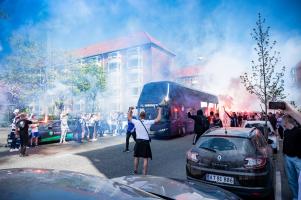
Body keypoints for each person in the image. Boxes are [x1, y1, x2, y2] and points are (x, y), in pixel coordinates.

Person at [128, 105, 162, 175]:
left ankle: (135, 170)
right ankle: (144, 174)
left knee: (136, 157)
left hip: (138, 142)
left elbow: (129, 118)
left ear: (139, 116)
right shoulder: (148, 122)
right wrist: (160, 111)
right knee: (145, 158)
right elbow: (158, 119)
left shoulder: (136, 122)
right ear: (145, 116)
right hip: (145, 142)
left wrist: (130, 110)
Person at [281, 102, 301, 200]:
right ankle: (295, 197)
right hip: (288, 158)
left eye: (282, 120)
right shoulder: (286, 131)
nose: (281, 121)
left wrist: (292, 112)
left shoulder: (298, 131)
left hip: (298, 159)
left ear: (287, 121)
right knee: (291, 180)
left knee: (300, 180)